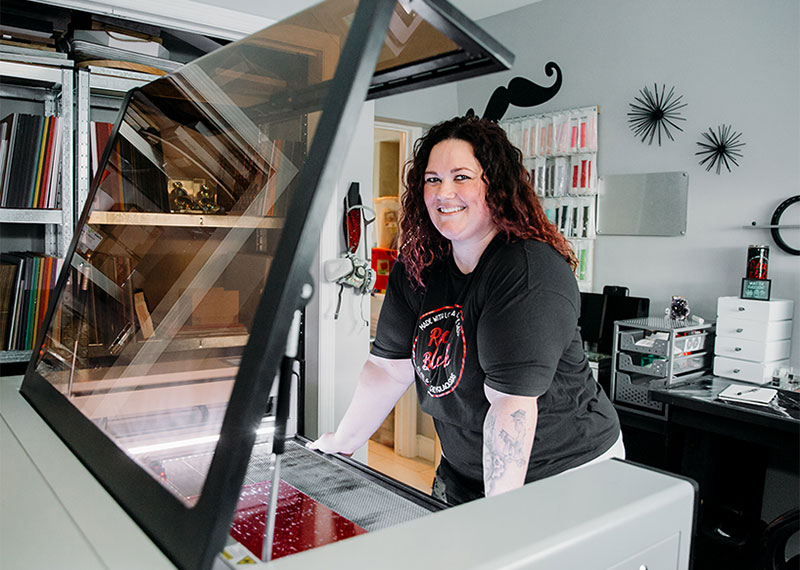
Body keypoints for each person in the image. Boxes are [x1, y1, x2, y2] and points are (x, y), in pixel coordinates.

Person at [308, 115, 624, 505]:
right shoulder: (419, 266)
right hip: (464, 472)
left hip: (565, 475)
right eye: (433, 179)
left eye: (461, 177)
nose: (444, 192)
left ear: (497, 186)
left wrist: (493, 519)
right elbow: (388, 368)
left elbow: (511, 406)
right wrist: (342, 443)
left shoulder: (526, 271)